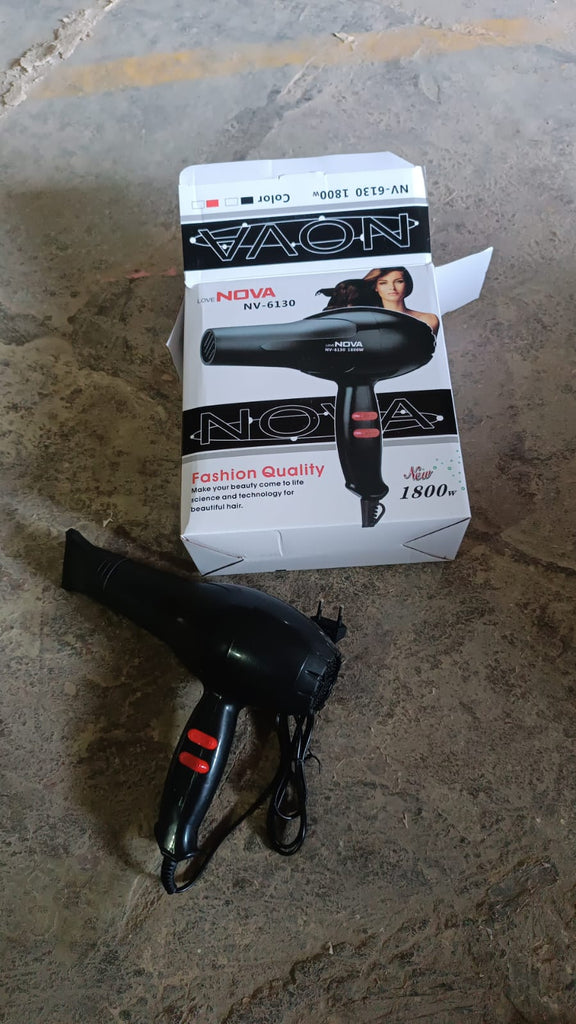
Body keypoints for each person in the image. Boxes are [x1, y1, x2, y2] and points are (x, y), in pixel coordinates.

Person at [363, 267, 440, 335]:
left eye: (399, 281)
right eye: (383, 283)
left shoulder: (428, 320)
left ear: (407, 284)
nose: (392, 287)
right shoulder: (367, 323)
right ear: (375, 287)